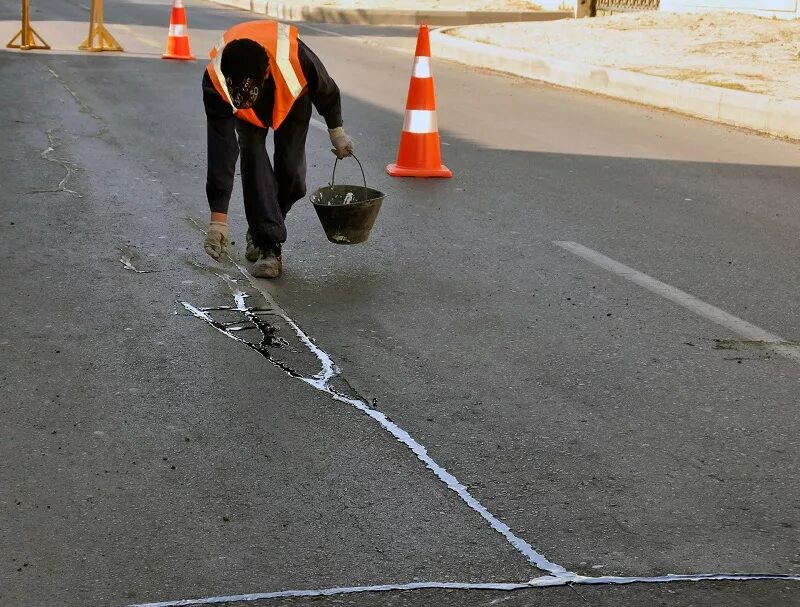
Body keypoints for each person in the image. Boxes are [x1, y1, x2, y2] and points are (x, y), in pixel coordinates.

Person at [201, 21, 354, 278]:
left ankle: (264, 224)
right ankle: (268, 245)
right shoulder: (216, 82)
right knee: (252, 156)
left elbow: (326, 89)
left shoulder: (295, 59)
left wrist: (336, 132)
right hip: (247, 114)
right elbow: (221, 151)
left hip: (292, 100)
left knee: (292, 172)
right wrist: (218, 220)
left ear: (266, 74)